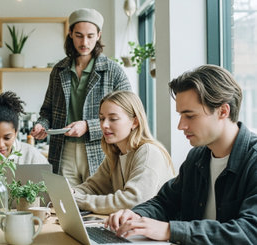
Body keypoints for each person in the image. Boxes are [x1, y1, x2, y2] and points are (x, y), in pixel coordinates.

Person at [106, 65, 257, 244]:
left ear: (223, 111)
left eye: (190, 116)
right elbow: (164, 202)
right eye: (180, 115)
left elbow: (249, 231)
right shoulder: (197, 158)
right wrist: (135, 215)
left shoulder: (253, 161)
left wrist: (171, 230)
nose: (181, 126)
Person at [30, 8, 131, 187]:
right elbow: (47, 111)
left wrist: (88, 126)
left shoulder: (114, 72)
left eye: (90, 36)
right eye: (79, 35)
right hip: (63, 150)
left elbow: (128, 117)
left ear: (99, 35)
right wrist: (42, 125)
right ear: (70, 34)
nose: (84, 42)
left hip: (100, 150)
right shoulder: (58, 71)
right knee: (65, 205)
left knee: (98, 205)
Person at [73, 91, 174, 214]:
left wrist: (80, 200)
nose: (104, 125)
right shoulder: (116, 154)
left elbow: (133, 201)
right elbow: (92, 187)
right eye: (101, 118)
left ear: (135, 122)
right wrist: (70, 193)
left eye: (113, 119)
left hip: (152, 230)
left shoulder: (148, 152)